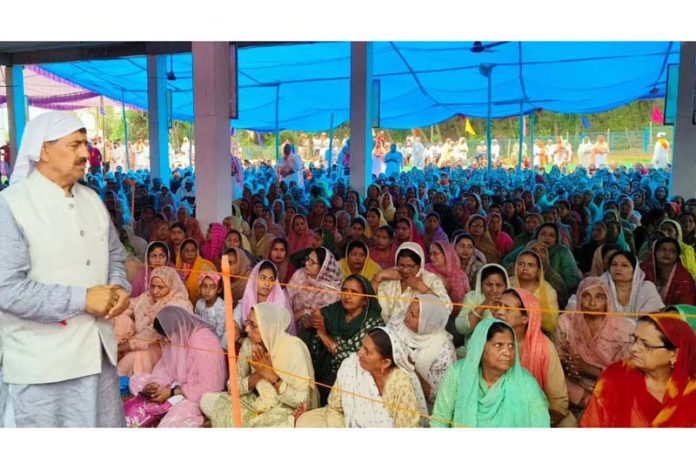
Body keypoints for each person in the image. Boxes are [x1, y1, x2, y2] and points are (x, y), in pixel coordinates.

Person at [0, 111, 131, 427]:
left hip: (98, 359)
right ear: (44, 150)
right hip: (43, 367)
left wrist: (119, 290)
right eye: (75, 145)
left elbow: (115, 256)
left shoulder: (92, 199)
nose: (85, 154)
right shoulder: (12, 205)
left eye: (85, 144)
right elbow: (7, 290)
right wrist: (82, 299)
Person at [201, 303, 319, 427]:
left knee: (288, 424)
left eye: (253, 325)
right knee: (207, 400)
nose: (246, 329)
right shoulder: (249, 345)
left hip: (284, 409)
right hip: (256, 403)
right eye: (247, 323)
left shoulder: (293, 348)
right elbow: (232, 387)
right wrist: (258, 374)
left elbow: (302, 400)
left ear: (267, 327)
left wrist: (272, 376)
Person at [296, 327, 428, 428]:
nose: (359, 353)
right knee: (304, 421)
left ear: (385, 363)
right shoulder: (351, 365)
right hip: (347, 423)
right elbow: (335, 407)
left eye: (367, 352)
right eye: (362, 346)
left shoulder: (399, 382)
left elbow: (407, 429)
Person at [432, 318, 550, 428]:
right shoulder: (458, 374)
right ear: (480, 347)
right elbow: (439, 421)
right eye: (498, 345)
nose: (507, 352)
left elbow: (540, 424)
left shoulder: (525, 382)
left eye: (511, 346)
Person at [580, 315, 696, 427]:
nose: (633, 348)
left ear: (675, 354)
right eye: (635, 339)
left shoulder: (691, 392)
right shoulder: (616, 376)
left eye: (646, 345)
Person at [128, 306, 227, 427]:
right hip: (177, 383)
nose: (166, 341)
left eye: (167, 337)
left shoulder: (204, 341)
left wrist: (173, 392)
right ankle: (167, 406)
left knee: (168, 425)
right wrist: (156, 383)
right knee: (135, 380)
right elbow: (166, 366)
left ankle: (189, 416)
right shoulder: (176, 335)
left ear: (179, 328)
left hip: (196, 395)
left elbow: (212, 387)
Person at [492, 288, 573, 426]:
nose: (499, 312)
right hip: (493, 409)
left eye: (507, 309)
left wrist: (539, 423)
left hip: (534, 411)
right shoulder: (486, 340)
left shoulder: (544, 347)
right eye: (499, 306)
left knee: (569, 424)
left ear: (525, 318)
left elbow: (558, 399)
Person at [554, 277, 633, 418]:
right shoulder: (567, 323)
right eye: (586, 296)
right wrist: (568, 364)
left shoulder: (623, 330)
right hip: (575, 388)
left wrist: (588, 368)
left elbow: (625, 377)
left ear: (607, 300)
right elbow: (558, 358)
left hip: (611, 391)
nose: (592, 303)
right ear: (579, 299)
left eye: (599, 297)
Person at [306, 275, 384, 404]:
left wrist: (323, 335)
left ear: (365, 300)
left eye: (354, 292)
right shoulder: (335, 310)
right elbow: (306, 322)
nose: (347, 296)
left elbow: (348, 355)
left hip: (355, 379)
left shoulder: (373, 322)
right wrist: (311, 321)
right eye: (345, 290)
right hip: (324, 370)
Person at [115, 266, 193, 377]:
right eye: (153, 286)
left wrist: (121, 347)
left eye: (161, 287)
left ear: (171, 286)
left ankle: (128, 382)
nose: (155, 291)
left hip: (166, 349)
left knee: (137, 356)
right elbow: (128, 305)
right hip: (140, 341)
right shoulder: (147, 297)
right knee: (120, 318)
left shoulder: (177, 304)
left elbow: (151, 334)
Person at [390, 294, 457, 411]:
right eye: (408, 310)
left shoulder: (444, 350)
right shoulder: (398, 323)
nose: (406, 315)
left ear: (428, 322)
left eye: (413, 315)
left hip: (418, 405)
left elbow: (438, 397)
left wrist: (411, 370)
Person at [371, 242, 452, 324]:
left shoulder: (430, 280)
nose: (405, 270)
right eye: (401, 265)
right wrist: (378, 277)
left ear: (420, 265)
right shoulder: (390, 275)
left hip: (417, 333)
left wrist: (423, 288)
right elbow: (367, 300)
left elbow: (446, 309)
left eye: (410, 266)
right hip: (387, 329)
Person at [286, 247, 343, 334]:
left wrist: (304, 312)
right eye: (308, 259)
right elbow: (286, 298)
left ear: (323, 268)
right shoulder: (300, 274)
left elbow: (325, 317)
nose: (307, 264)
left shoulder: (332, 292)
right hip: (290, 323)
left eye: (312, 262)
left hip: (316, 334)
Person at [509, 250, 560, 334]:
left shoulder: (548, 290)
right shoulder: (508, 284)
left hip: (539, 332)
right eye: (521, 264)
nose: (525, 268)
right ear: (515, 266)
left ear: (538, 270)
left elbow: (552, 321)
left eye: (530, 265)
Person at [600, 250, 664, 315]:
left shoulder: (647, 288)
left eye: (624, 265)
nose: (618, 268)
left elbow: (650, 317)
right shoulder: (600, 287)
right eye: (614, 264)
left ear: (635, 270)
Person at [640, 237, 696, 306]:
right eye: (663, 249)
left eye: (672, 251)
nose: (667, 253)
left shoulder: (684, 278)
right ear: (654, 252)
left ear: (677, 256)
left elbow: (686, 306)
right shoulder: (642, 271)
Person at [176, 238, 217, 305]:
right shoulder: (179, 267)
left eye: (193, 251)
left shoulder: (204, 266)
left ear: (197, 252)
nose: (190, 254)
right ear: (181, 253)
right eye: (186, 251)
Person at [194, 272, 226, 344]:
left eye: (212, 287)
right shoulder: (199, 304)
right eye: (204, 286)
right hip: (201, 337)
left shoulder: (222, 308)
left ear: (219, 289)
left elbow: (219, 333)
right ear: (199, 287)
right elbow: (197, 323)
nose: (207, 291)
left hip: (216, 342)